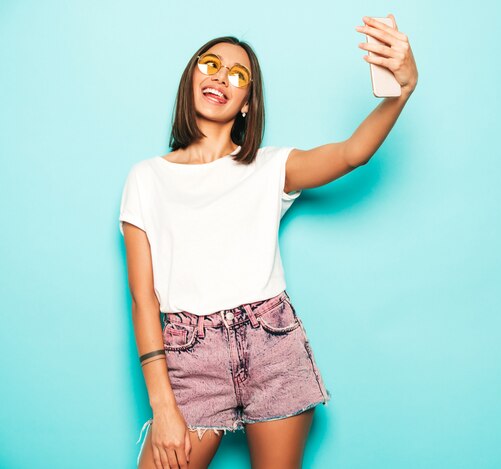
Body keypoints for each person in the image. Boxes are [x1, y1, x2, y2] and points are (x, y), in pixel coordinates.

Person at [119, 14, 417, 469]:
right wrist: (163, 408)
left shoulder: (269, 166)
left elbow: (352, 153)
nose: (221, 77)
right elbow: (143, 300)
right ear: (191, 78)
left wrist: (402, 91)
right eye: (211, 64)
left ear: (245, 104)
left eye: (238, 76)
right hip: (190, 354)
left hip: (270, 344)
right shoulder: (146, 178)